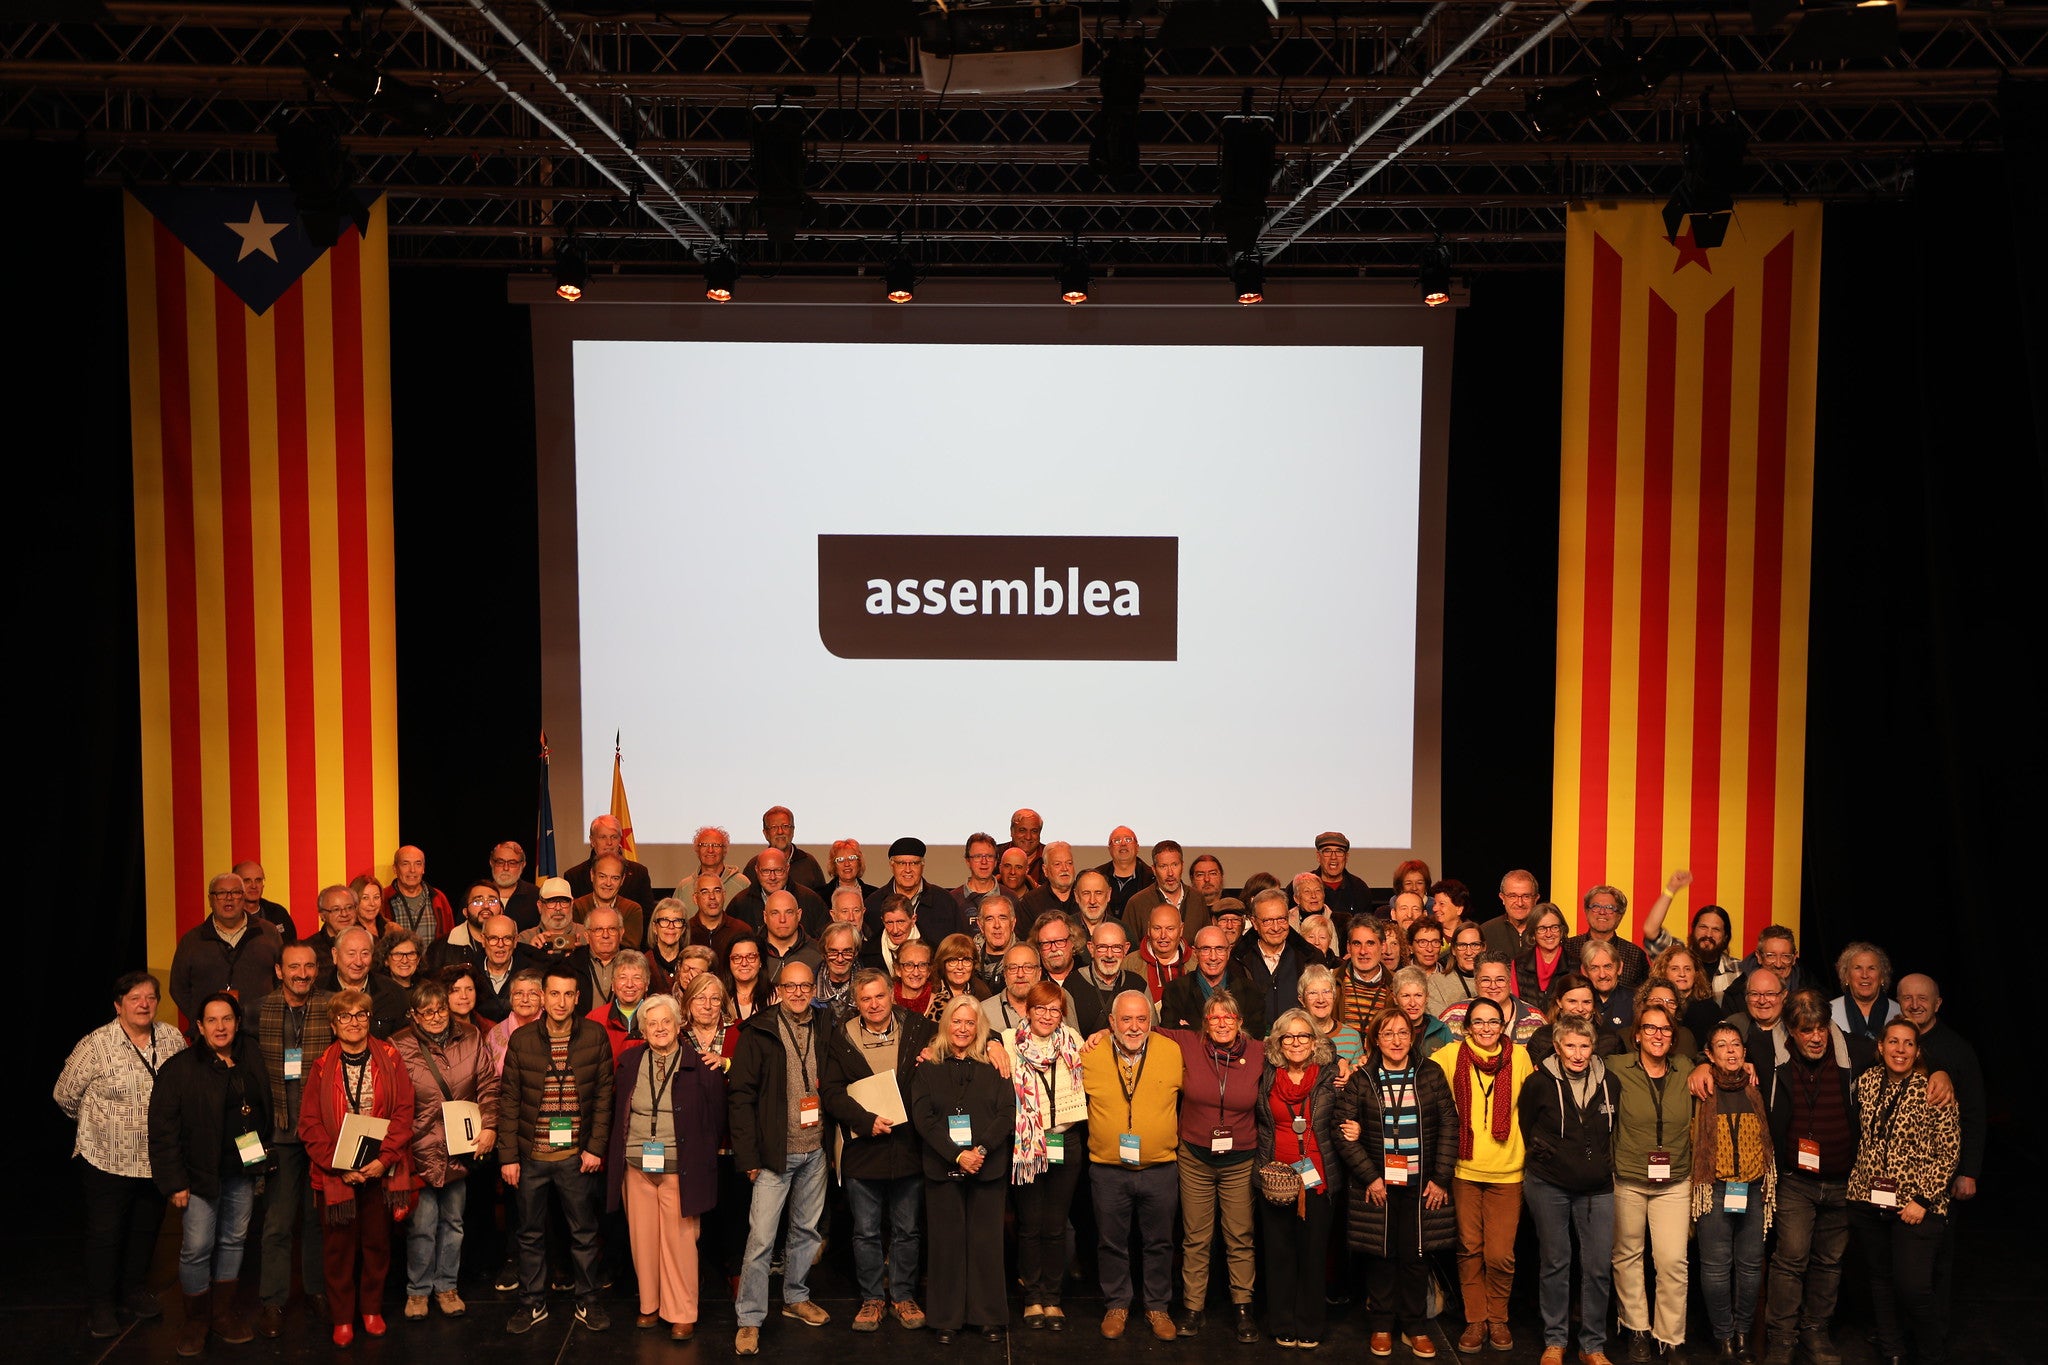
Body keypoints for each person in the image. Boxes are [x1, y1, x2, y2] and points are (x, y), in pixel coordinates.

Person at [56, 973, 186, 1338]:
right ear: (118, 1005)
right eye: (134, 998)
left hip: (155, 1158)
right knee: (105, 1232)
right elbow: (64, 1095)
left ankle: (133, 1291)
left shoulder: (172, 1038)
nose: (144, 1004)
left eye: (150, 997)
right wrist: (101, 1125)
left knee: (145, 1230)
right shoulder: (96, 1044)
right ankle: (101, 1306)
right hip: (106, 1158)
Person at [149, 992, 271, 1355]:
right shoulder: (181, 1068)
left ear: (237, 1022)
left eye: (227, 1019)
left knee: (234, 1242)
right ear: (199, 1027)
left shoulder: (249, 1061)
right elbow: (163, 1130)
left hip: (241, 1174)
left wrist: (260, 1159)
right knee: (197, 1248)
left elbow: (258, 1112)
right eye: (212, 1021)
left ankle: (222, 1315)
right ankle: (196, 1321)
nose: (221, 1027)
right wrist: (175, 1182)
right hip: (199, 1178)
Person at [1334, 1007, 1457, 1360]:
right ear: (1375, 1039)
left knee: (1415, 1256)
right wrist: (1369, 1177)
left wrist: (1440, 1178)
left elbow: (1450, 1126)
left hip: (1421, 1184)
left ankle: (1415, 1327)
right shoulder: (1362, 1079)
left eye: (1402, 1032)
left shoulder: (1430, 1074)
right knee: (1382, 1256)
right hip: (1378, 1185)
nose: (1396, 1040)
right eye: (1387, 1034)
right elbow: (1342, 1131)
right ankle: (1382, 1325)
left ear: (1413, 1036)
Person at [497, 968, 614, 1336]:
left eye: (568, 994)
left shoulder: (594, 1036)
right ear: (543, 997)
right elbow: (510, 1100)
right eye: (554, 994)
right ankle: (532, 1303)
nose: (561, 1002)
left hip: (576, 1157)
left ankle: (587, 1301)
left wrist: (595, 1148)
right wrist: (508, 1156)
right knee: (530, 1235)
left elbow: (604, 1097)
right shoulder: (521, 1039)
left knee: (583, 1233)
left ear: (577, 998)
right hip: (531, 1155)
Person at [821, 969, 938, 1334]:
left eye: (880, 996)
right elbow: (832, 1092)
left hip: (908, 1147)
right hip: (862, 1147)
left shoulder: (920, 1030)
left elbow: (964, 1038)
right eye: (865, 999)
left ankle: (903, 1296)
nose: (874, 1004)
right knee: (866, 1231)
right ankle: (872, 1299)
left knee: (907, 1230)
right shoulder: (840, 1037)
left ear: (893, 995)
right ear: (857, 1003)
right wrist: (865, 1119)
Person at [300, 987, 418, 1347]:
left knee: (377, 1245)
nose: (354, 1023)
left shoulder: (390, 1058)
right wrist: (338, 1166)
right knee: (338, 1251)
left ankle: (371, 1309)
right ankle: (342, 1318)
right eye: (346, 1017)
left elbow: (403, 1112)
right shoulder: (321, 1067)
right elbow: (309, 1124)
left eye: (361, 1015)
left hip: (382, 1171)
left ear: (370, 1019)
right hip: (339, 1174)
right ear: (334, 1024)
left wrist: (384, 1160)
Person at [606, 991, 725, 1342]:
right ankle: (650, 1305)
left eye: (666, 1022)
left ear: (678, 1026)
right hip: (635, 1165)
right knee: (642, 1241)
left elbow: (716, 1121)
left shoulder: (703, 1065)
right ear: (643, 1028)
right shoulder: (628, 1062)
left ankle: (682, 1312)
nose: (659, 1028)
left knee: (680, 1244)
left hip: (680, 1168)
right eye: (652, 1023)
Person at [1759, 991, 1869, 1365]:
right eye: (1807, 1030)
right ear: (1791, 1031)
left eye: (1822, 1027)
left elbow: (1906, 1055)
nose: (1816, 1037)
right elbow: (1719, 1048)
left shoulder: (1857, 1052)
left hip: (1843, 1181)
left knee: (1828, 1262)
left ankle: (1815, 1332)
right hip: (1796, 1182)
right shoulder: (1772, 1055)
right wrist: (1702, 1066)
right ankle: (1782, 1339)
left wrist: (1932, 1071)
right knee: (1790, 1259)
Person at [728, 961, 832, 1354]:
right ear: (779, 989)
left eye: (806, 986)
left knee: (806, 1232)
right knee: (761, 1240)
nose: (799, 993)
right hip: (774, 1154)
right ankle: (750, 1318)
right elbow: (739, 1098)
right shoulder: (758, 1032)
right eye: (791, 986)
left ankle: (795, 1297)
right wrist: (749, 1157)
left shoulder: (824, 1026)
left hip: (816, 1150)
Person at [1847, 1018, 1960, 1365]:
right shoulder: (1865, 1083)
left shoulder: (1933, 1089)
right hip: (1868, 1198)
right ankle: (1893, 1349)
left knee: (1913, 1288)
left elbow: (1949, 1150)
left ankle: (1931, 1353)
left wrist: (1922, 1200)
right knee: (1880, 1280)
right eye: (1893, 1042)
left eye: (1908, 1043)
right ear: (1880, 1047)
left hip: (1917, 1205)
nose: (1900, 1050)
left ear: (1917, 1050)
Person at [1080, 989, 1186, 1342]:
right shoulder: (1089, 1054)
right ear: (1111, 1022)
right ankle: (1117, 1304)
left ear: (1151, 1021)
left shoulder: (1172, 1052)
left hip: (1160, 1168)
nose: (1134, 1026)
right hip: (1107, 1169)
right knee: (1111, 1242)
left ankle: (1157, 1306)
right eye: (1126, 1018)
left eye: (1142, 1018)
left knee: (1160, 1242)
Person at [1155, 992, 1261, 1342]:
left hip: (1240, 1159)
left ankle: (1243, 1307)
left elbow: (1303, 1048)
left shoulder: (1260, 1052)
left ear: (1240, 1022)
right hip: (1195, 1156)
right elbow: (1142, 1028)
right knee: (1196, 1237)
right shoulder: (1188, 1042)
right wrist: (1101, 1033)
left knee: (1239, 1236)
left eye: (1228, 1017)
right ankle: (1192, 1307)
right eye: (1214, 1018)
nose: (1221, 1023)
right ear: (1205, 1022)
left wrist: (1341, 1062)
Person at [390, 979, 499, 1322]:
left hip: (459, 1145)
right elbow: (391, 1098)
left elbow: (488, 1084)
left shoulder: (470, 1035)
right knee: (422, 1225)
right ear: (414, 1016)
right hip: (418, 1146)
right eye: (427, 1012)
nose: (436, 1017)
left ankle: (447, 1287)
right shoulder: (398, 1044)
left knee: (453, 1222)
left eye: (440, 1009)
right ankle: (417, 1291)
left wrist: (490, 1125)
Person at [910, 995, 1016, 1343]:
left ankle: (987, 1316)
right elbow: (923, 1119)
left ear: (980, 1027)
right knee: (946, 1244)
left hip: (988, 1165)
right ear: (946, 1025)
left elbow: (1006, 1113)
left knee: (986, 1243)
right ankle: (946, 1318)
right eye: (957, 1021)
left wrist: (980, 1149)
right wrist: (958, 1155)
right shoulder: (927, 1066)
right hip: (943, 1168)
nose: (963, 1029)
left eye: (970, 1023)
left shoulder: (994, 1064)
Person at [1429, 995, 1531, 1352]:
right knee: (1469, 1248)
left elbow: (1533, 1106)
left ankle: (1498, 1317)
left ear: (1503, 1026)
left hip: (1508, 1170)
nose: (1486, 1029)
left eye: (1493, 1022)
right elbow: (1412, 1070)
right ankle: (1476, 1320)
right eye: (1479, 1022)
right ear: (1467, 1026)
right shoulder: (1448, 1056)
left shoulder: (1520, 1057)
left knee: (1500, 1253)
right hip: (1464, 1168)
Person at [1517, 1016, 1621, 1365]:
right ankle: (1555, 1340)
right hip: (1548, 1184)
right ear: (1558, 1048)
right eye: (1570, 1046)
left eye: (1585, 1045)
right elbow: (1526, 1125)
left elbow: (1613, 1130)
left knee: (1597, 1267)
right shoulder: (1537, 1083)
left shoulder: (1611, 1082)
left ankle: (1592, 1345)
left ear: (1593, 1048)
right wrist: (1549, 1155)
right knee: (1556, 1262)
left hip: (1598, 1187)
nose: (1578, 1054)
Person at [1255, 1007, 1346, 1350]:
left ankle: (1310, 1324)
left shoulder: (1331, 1075)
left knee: (1313, 1254)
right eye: (1288, 1036)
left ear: (1314, 1041)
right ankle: (1282, 1322)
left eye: (1303, 1035)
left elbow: (1348, 1111)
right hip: (1275, 1177)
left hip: (1318, 1178)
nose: (1295, 1043)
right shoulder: (1266, 1075)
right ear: (1278, 1042)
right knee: (1278, 1254)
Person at [253, 944, 331, 1336]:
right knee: (278, 1223)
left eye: (309, 966)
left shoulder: (333, 1006)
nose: (302, 973)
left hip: (321, 1133)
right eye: (293, 967)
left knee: (318, 1220)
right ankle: (273, 1301)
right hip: (279, 1133)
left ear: (317, 970)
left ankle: (317, 1291)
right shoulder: (257, 1011)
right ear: (279, 971)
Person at [1690, 1022, 1777, 1364]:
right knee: (1714, 1266)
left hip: (1753, 1186)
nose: (1730, 1051)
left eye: (1736, 1045)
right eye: (1721, 1046)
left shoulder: (1755, 1085)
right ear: (1708, 1054)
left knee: (1752, 1265)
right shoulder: (1701, 1088)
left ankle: (1743, 1334)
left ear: (1744, 1051)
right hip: (1715, 1188)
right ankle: (1723, 1337)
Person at [1005, 980, 1089, 1332]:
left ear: (1062, 1014)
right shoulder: (1008, 1042)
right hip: (1026, 1145)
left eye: (1054, 1009)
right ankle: (1032, 1297)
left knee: (1056, 1227)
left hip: (1065, 1143)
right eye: (1040, 1008)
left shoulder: (1075, 1043)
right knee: (1030, 1226)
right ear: (1027, 1009)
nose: (1046, 1015)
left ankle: (1052, 1298)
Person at [1610, 1001, 1692, 1361]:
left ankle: (1670, 1336)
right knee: (1627, 1256)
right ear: (1637, 1034)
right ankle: (1637, 1328)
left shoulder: (1687, 1069)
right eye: (1650, 1028)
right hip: (1627, 1176)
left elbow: (1717, 1063)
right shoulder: (1616, 1067)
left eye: (1665, 1029)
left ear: (1673, 1037)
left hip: (1674, 1180)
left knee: (1673, 1260)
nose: (1657, 1035)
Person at [172, 872, 287, 1027]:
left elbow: (282, 977)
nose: (229, 897)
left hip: (260, 1030)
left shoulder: (268, 932)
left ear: (243, 897)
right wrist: (203, 1019)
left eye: (236, 892)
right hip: (210, 1035)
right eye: (221, 893)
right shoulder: (192, 940)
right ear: (210, 899)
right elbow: (178, 987)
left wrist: (270, 1015)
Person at [1233, 888, 1331, 1035]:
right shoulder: (1238, 959)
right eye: (1268, 921)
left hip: (1300, 1045)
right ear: (1254, 922)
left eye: (1281, 919)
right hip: (1254, 1046)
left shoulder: (1310, 957)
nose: (1276, 927)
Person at [1163, 924, 1262, 1038]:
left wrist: (1192, 1032)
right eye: (1206, 949)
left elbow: (1254, 1038)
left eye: (1219, 949)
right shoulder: (1175, 991)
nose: (1213, 957)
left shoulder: (1250, 991)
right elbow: (1170, 1037)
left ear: (1228, 952)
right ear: (1195, 953)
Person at [864, 837, 969, 943]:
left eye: (914, 863)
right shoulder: (874, 904)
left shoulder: (944, 901)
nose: (908, 870)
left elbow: (958, 945)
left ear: (922, 865)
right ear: (892, 866)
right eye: (901, 863)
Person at [1441, 953, 1547, 1045]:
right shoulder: (1454, 1016)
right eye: (1486, 980)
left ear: (1510, 982)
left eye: (1500, 980)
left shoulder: (1535, 1019)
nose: (1493, 986)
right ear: (1476, 983)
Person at [324, 926, 409, 1038]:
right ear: (335, 955)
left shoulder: (393, 993)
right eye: (351, 954)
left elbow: (404, 1043)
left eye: (365, 954)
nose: (358, 962)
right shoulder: (319, 992)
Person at [563, 814, 657, 912]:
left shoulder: (639, 873)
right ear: (592, 841)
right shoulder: (574, 876)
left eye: (614, 837)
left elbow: (647, 915)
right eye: (603, 837)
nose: (609, 843)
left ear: (620, 839)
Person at [1566, 885, 1650, 994]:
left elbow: (1644, 998)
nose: (1602, 912)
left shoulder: (1635, 955)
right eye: (1596, 906)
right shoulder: (1567, 947)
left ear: (1620, 915)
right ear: (1586, 911)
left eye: (1610, 908)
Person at [729, 849, 826, 942]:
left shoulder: (810, 900)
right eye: (766, 871)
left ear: (787, 869)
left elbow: (824, 941)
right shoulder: (740, 903)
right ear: (757, 870)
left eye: (778, 870)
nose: (772, 877)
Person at [1526, 974, 1626, 1064]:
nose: (1580, 1008)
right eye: (1572, 1001)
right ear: (1559, 1002)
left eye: (1586, 1002)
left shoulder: (1611, 1039)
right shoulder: (1541, 1037)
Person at [1299, 963, 1365, 1082]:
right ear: (1302, 1000)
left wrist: (1351, 1079)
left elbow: (1360, 1083)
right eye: (1313, 993)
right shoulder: (1294, 1037)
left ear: (1334, 996)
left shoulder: (1352, 1037)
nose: (1321, 999)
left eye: (1326, 992)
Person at [1652, 943, 1726, 1046]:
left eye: (1687, 969)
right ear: (1663, 972)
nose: (1682, 974)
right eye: (1675, 968)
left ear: (1696, 974)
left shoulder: (1708, 1009)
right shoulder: (1652, 1004)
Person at [589, 950, 653, 1063]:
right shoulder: (594, 1019)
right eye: (622, 977)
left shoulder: (658, 1017)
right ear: (613, 984)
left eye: (637, 978)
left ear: (646, 984)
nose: (629, 984)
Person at [1828, 942, 1899, 1041]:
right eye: (1858, 968)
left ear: (1882, 977)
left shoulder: (1898, 1013)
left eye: (1871, 968)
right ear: (1846, 976)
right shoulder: (1829, 1012)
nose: (1865, 975)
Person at [385, 845, 454, 943]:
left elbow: (450, 938)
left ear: (423, 868)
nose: (412, 870)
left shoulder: (438, 898)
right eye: (405, 864)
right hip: (397, 958)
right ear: (395, 868)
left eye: (418, 864)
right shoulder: (383, 898)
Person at [1335, 918, 1393, 1034]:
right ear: (1348, 947)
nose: (1363, 951)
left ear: (1383, 946)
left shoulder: (1396, 984)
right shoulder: (1331, 982)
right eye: (1357, 944)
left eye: (1370, 943)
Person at [685, 872, 752, 967]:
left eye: (717, 891)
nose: (712, 897)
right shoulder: (685, 931)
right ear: (695, 899)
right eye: (705, 892)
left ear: (724, 895)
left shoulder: (741, 930)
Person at [1515, 903, 1575, 1003]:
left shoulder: (1577, 965)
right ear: (1533, 933)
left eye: (1554, 927)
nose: (1549, 934)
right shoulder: (1518, 964)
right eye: (1542, 929)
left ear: (1562, 930)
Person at [1391, 965, 1454, 1054]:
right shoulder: (1385, 1030)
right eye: (1406, 996)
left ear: (1427, 997)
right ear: (1395, 998)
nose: (1412, 1003)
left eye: (1418, 995)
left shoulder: (1441, 1030)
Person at [1096, 825, 1154, 918]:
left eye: (1128, 840)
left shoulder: (1152, 878)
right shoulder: (1097, 876)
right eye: (1117, 841)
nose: (1123, 844)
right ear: (1109, 849)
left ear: (1137, 847)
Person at [1481, 869, 1540, 958]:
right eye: (1512, 896)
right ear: (1502, 898)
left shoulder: (1547, 932)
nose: (1520, 903)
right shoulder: (1485, 932)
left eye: (1526, 896)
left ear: (1536, 899)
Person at [484, 841, 540, 932]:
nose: (506, 868)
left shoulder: (535, 895)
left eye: (512, 863)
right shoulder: (476, 893)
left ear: (522, 865)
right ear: (491, 863)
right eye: (500, 862)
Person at [1431, 922, 1485, 1018]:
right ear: (1453, 950)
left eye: (1475, 945)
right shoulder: (1436, 983)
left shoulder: (1497, 981)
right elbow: (1440, 1024)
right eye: (1462, 945)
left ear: (1483, 948)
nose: (1469, 952)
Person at [235, 861, 298, 942]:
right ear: (235, 884)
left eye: (258, 880)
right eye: (247, 881)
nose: (254, 886)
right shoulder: (227, 915)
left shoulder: (278, 913)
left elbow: (291, 948)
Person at [1020, 841, 1082, 922]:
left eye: (1069, 863)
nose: (1065, 868)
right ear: (1045, 870)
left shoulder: (1085, 895)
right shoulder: (1031, 901)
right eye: (1057, 864)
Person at [644, 897, 690, 989]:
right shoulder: (644, 963)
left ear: (683, 929)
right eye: (664, 920)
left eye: (677, 921)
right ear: (654, 927)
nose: (671, 926)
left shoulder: (691, 963)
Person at [997, 809, 1048, 889]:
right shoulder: (997, 854)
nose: (1028, 837)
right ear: (1012, 831)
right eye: (1022, 830)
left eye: (1034, 831)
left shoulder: (1049, 856)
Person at [954, 832, 1002, 915]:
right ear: (968, 861)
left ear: (995, 862)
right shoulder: (953, 899)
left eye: (989, 856)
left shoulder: (1009, 897)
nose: (984, 861)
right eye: (978, 856)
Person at [889, 939, 936, 1016]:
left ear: (929, 971)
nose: (916, 973)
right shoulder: (886, 1002)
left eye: (922, 965)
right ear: (898, 970)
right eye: (909, 965)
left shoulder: (942, 1004)